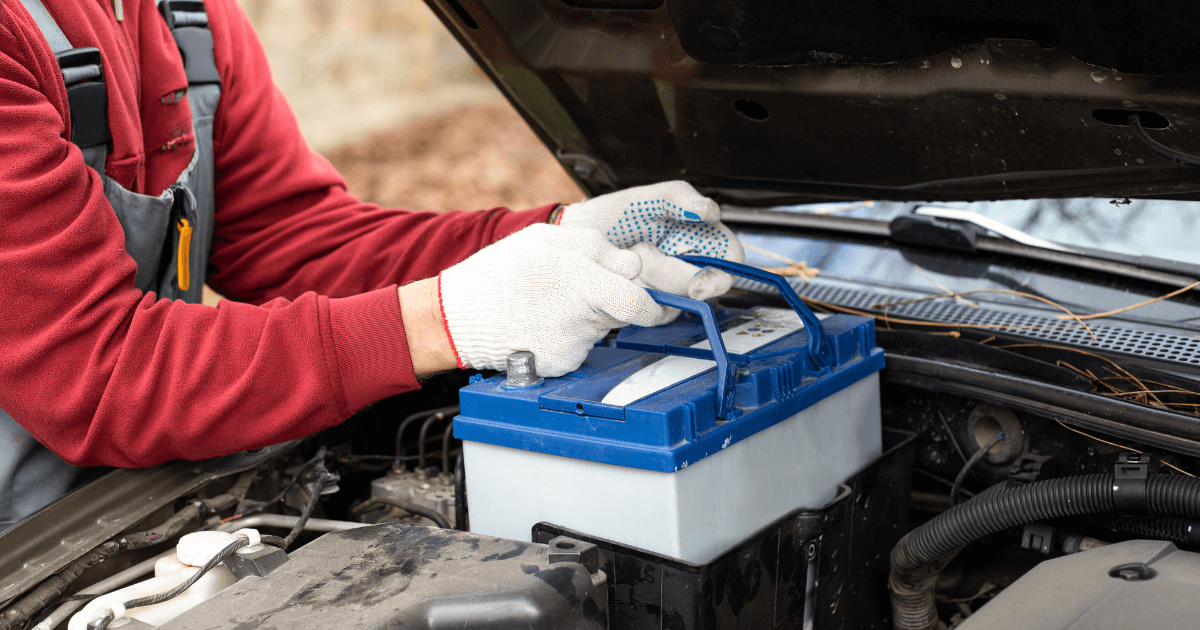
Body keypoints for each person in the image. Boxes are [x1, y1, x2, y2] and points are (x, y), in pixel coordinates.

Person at [0, 0, 743, 529]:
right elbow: (98, 372)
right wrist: (444, 319)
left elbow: (294, 235)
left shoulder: (183, 14)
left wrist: (559, 236)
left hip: (132, 492)